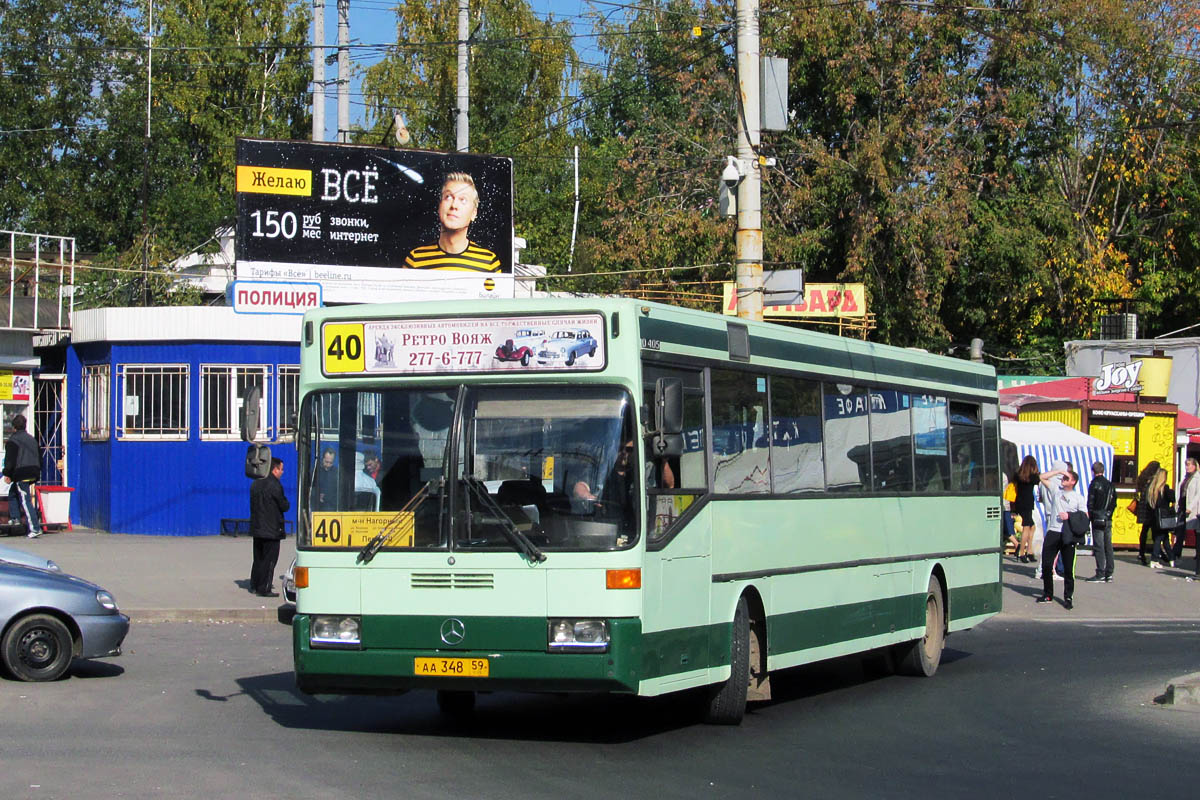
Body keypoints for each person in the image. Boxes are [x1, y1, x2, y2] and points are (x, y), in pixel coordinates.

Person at [403, 172, 501, 272]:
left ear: (473, 213)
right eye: (448, 197)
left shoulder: (489, 263)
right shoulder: (415, 260)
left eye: (463, 200)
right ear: (439, 206)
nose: (454, 205)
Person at [1036, 467, 1085, 610]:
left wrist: (1069, 516)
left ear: (1074, 482)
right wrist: (1058, 472)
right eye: (1063, 478)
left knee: (1069, 568)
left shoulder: (1078, 497)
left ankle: (1068, 596)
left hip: (1067, 533)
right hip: (1053, 531)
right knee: (1046, 564)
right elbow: (1041, 477)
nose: (1063, 480)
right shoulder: (1056, 491)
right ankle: (1048, 593)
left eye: (1067, 478)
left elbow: (1085, 517)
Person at [249, 457, 289, 597]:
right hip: (271, 530)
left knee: (258, 558)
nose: (282, 472)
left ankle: (254, 584)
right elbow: (284, 505)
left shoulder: (256, 483)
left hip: (257, 527)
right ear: (275, 469)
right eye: (281, 469)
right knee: (270, 560)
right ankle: (264, 587)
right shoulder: (274, 485)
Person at [3, 414, 42, 538]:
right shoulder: (32, 439)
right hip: (33, 471)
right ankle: (15, 518)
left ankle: (35, 528)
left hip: (22, 473)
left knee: (25, 501)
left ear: (14, 427)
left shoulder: (13, 441)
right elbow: (40, 456)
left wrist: (7, 474)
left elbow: (10, 460)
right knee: (13, 493)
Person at [1086, 460, 1118, 583]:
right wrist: (1109, 514)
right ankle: (1109, 572)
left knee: (1099, 546)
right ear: (1103, 471)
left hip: (1097, 517)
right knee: (1108, 545)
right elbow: (1114, 502)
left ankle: (1100, 572)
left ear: (1093, 472)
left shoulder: (1094, 484)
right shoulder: (1110, 484)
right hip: (1107, 518)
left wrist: (1091, 517)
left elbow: (1090, 503)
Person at [1146, 467, 1176, 569]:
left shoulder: (1152, 489)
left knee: (1165, 539)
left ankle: (1172, 558)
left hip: (1154, 517)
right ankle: (1154, 559)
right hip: (1164, 517)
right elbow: (1172, 499)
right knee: (1159, 538)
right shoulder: (1165, 488)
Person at [1013, 455, 1040, 563]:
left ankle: (1029, 551)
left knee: (1032, 526)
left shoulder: (1019, 475)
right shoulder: (1032, 477)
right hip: (1027, 503)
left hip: (1020, 502)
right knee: (1027, 527)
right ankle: (1022, 552)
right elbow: (1039, 479)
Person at [1135, 460, 1160, 565]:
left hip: (1142, 507)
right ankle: (1156, 553)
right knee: (1155, 531)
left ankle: (1141, 552)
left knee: (1144, 531)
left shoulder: (1143, 478)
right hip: (1149, 507)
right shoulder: (1153, 480)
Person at [1173, 457, 1197, 568]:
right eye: (1186, 465)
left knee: (1197, 532)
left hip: (1193, 510)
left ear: (1194, 466)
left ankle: (1198, 554)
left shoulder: (1197, 478)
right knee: (1180, 532)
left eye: (1189, 465)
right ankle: (1176, 554)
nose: (1187, 467)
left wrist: (1191, 507)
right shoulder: (1185, 478)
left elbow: (1198, 495)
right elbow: (1180, 492)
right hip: (1182, 508)